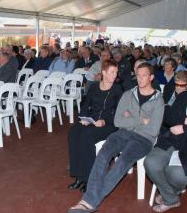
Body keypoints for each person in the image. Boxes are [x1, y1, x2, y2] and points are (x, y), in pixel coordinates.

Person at [68, 62, 164, 213]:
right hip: (123, 133)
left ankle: (90, 201)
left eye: (144, 75)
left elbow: (153, 130)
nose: (140, 79)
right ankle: (89, 198)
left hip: (143, 139)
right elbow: (118, 121)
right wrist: (141, 119)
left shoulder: (158, 100)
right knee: (103, 155)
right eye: (138, 75)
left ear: (151, 77)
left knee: (123, 161)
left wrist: (131, 116)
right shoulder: (128, 94)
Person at [68, 60, 122, 193]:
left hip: (109, 124)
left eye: (116, 72)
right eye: (112, 72)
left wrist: (105, 121)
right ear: (104, 73)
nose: (115, 75)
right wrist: (83, 118)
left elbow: (119, 113)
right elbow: (85, 106)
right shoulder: (93, 87)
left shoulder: (117, 90)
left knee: (87, 136)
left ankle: (88, 178)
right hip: (92, 121)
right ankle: (78, 176)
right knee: (74, 132)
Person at [144, 69, 187, 212]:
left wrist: (185, 129)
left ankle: (170, 194)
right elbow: (168, 117)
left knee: (176, 174)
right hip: (171, 140)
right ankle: (171, 197)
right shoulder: (184, 96)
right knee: (151, 163)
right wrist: (186, 120)